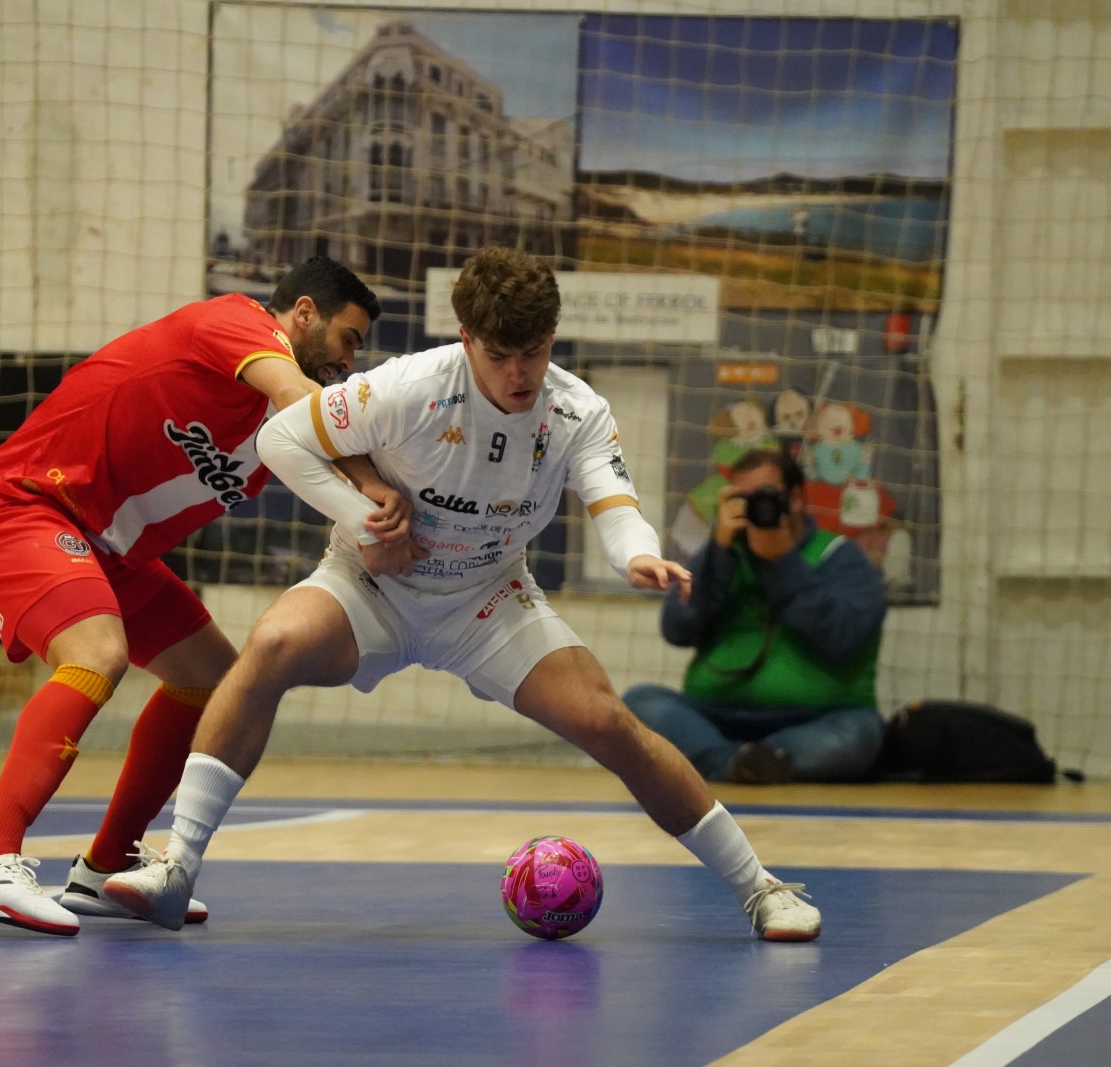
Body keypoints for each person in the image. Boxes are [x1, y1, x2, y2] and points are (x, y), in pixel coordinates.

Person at [102, 246, 823, 942]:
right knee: (272, 643)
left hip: (487, 600)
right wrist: (364, 522)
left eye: (533, 352)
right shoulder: (405, 387)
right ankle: (176, 865)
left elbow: (614, 502)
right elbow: (281, 441)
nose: (519, 373)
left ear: (552, 337)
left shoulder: (577, 411)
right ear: (466, 337)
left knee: (609, 721)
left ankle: (761, 888)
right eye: (499, 354)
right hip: (370, 584)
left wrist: (637, 554)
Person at [0, 257, 399, 936]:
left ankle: (105, 864)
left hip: (107, 545)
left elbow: (319, 436)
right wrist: (370, 480)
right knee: (97, 653)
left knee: (214, 680)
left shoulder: (272, 428)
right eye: (347, 339)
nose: (349, 362)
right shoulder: (236, 322)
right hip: (22, 506)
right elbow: (305, 401)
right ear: (303, 313)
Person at [622, 447, 888, 785]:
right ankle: (745, 761)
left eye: (765, 496)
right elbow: (677, 629)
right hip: (715, 715)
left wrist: (783, 562)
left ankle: (732, 760)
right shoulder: (723, 553)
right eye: (740, 499)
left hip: (817, 718)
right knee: (640, 703)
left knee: (860, 734)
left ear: (795, 499)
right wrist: (717, 554)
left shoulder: (840, 556)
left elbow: (843, 637)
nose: (754, 507)